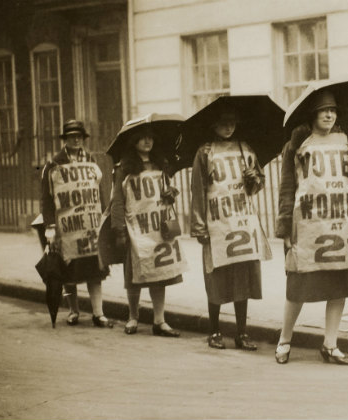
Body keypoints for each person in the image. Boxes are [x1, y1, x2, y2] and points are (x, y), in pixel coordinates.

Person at [274, 90, 348, 365]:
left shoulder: (344, 142)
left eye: (333, 110)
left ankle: (330, 344)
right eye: (323, 111)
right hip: (307, 225)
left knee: (341, 285)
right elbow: (287, 188)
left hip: (340, 223)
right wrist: (284, 230)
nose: (329, 115)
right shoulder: (297, 144)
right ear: (313, 115)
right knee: (298, 286)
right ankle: (284, 339)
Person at [190, 109, 269, 350]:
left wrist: (253, 178)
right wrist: (199, 226)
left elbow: (258, 184)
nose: (228, 128)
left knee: (242, 278)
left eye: (232, 123)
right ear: (213, 125)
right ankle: (214, 330)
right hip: (217, 223)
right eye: (223, 123)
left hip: (242, 222)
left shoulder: (245, 148)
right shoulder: (205, 152)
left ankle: (242, 333)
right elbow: (198, 189)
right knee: (217, 278)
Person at [110, 128, 186, 337]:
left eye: (151, 137)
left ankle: (159, 320)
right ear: (133, 142)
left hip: (158, 228)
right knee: (134, 275)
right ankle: (133, 317)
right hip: (136, 229)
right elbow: (117, 200)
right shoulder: (124, 169)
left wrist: (171, 193)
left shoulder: (161, 165)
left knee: (159, 274)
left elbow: (166, 193)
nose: (147, 141)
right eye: (143, 138)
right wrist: (119, 230)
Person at [40, 120, 112, 328]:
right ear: (65, 139)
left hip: (90, 226)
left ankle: (98, 313)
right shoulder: (54, 164)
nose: (76, 139)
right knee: (69, 272)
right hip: (68, 228)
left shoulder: (91, 161)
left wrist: (104, 216)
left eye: (79, 136)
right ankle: (73, 311)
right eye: (72, 136)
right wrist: (50, 226)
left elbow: (99, 191)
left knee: (94, 271)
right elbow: (46, 198)